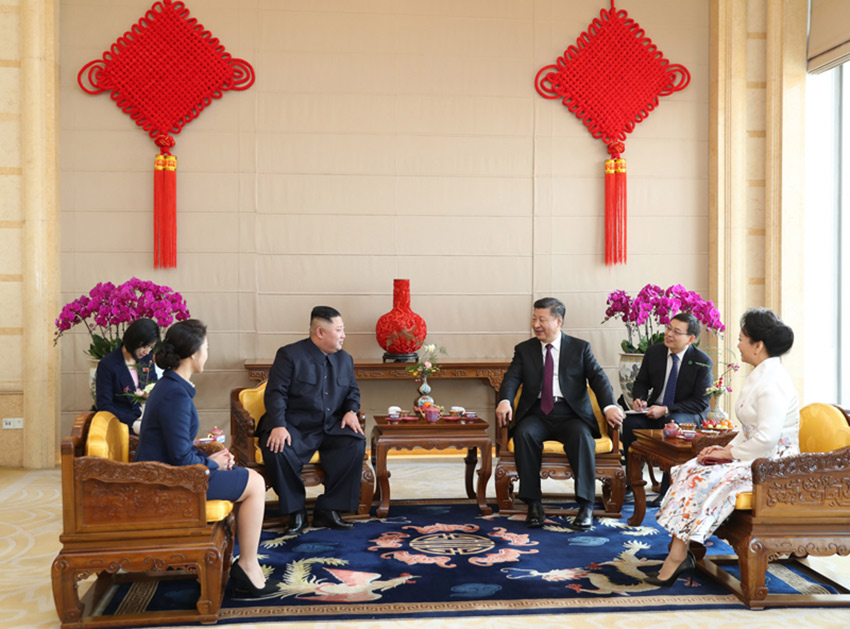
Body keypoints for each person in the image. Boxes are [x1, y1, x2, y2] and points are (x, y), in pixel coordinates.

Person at [646, 308, 799, 587]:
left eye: (741, 339)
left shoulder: (774, 381)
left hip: (774, 467)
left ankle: (677, 556)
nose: (738, 344)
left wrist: (728, 454)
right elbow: (748, 431)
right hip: (754, 458)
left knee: (703, 477)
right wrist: (721, 451)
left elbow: (765, 439)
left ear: (758, 346)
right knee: (690, 467)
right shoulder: (760, 374)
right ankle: (680, 550)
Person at [134, 320, 275, 597]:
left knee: (251, 479)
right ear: (194, 354)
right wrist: (213, 463)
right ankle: (246, 564)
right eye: (207, 348)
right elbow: (180, 459)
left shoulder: (172, 387)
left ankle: (244, 561)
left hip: (169, 475)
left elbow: (179, 448)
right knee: (255, 483)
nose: (207, 354)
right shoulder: (175, 394)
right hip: (169, 484)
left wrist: (211, 457)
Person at [496, 297, 625, 530]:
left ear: (558, 321)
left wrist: (609, 406)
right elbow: (511, 379)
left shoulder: (580, 348)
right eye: (534, 319)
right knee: (524, 434)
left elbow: (598, 379)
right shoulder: (524, 350)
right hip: (536, 413)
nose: (536, 324)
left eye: (541, 319)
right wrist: (505, 401)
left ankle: (586, 506)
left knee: (582, 438)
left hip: (571, 414)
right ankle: (533, 503)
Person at [256, 306, 366, 535]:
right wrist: (278, 425)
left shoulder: (345, 359)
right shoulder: (289, 355)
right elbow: (276, 393)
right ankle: (295, 511)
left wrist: (351, 411)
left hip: (330, 426)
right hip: (295, 425)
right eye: (340, 330)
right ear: (320, 332)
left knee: (354, 442)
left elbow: (352, 392)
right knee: (277, 448)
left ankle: (329, 508)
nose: (344, 335)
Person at [624, 312, 713, 504]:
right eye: (668, 328)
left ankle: (666, 491)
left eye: (676, 332)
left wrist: (666, 409)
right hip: (655, 410)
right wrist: (639, 399)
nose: (669, 334)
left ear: (690, 339)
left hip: (686, 414)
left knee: (673, 424)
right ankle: (632, 483)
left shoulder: (702, 361)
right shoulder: (654, 352)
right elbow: (641, 382)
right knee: (630, 422)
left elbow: (700, 402)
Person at [95, 318, 160, 434]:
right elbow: (104, 406)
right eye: (144, 346)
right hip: (122, 426)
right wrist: (133, 423)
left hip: (148, 421)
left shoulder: (147, 359)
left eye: (151, 347)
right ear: (133, 340)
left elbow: (154, 389)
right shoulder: (108, 365)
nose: (147, 351)